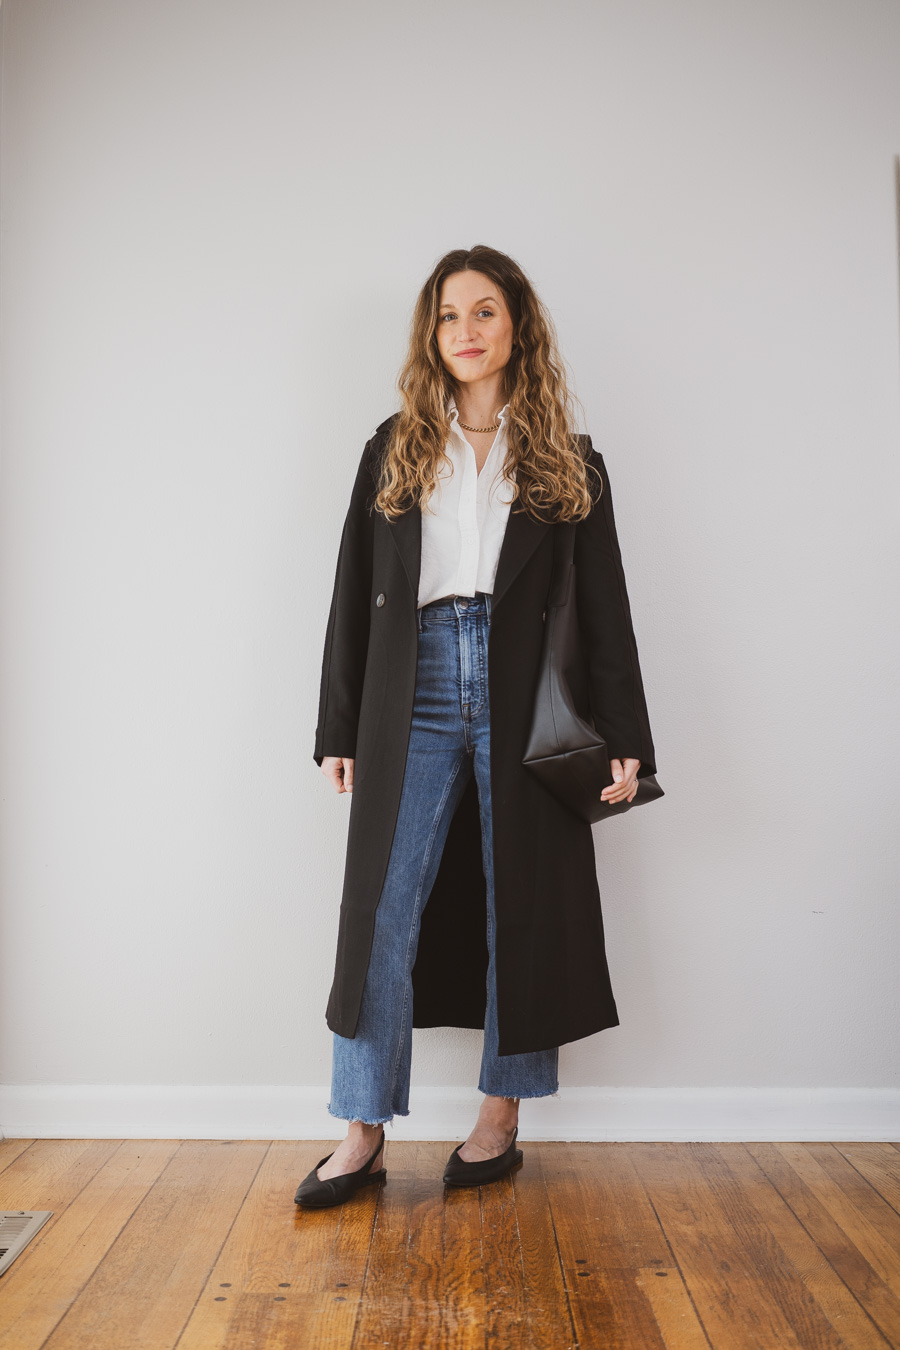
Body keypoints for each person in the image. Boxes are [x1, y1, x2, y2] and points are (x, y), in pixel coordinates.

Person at [295, 245, 656, 1209]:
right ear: (432, 335)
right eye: (449, 315)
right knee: (380, 907)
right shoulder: (394, 446)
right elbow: (349, 597)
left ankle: (500, 1118)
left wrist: (626, 730)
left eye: (485, 311)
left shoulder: (570, 463)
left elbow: (606, 607)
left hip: (524, 687)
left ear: (517, 327)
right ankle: (361, 1128)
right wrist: (338, 723)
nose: (465, 330)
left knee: (522, 903)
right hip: (407, 683)